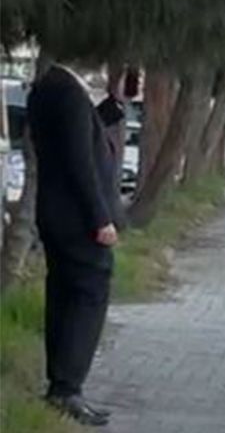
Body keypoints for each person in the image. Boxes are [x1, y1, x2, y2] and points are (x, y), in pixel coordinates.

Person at [28, 63, 125, 426]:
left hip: (56, 214)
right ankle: (67, 388)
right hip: (76, 218)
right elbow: (79, 161)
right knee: (88, 294)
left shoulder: (49, 86)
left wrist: (104, 114)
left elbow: (74, 138)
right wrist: (100, 218)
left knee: (63, 295)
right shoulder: (68, 92)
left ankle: (61, 385)